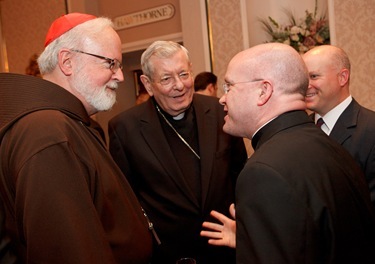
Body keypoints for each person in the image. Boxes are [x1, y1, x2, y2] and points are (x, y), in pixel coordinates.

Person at [0, 13, 154, 263]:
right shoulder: (47, 132)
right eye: (110, 63)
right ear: (67, 62)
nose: (120, 76)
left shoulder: (67, 122)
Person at [202, 43, 375, 263]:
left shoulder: (263, 172)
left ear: (263, 91)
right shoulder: (326, 143)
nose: (222, 98)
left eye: (229, 86)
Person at [108, 40, 247, 264]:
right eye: (166, 79)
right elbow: (126, 202)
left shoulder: (220, 112)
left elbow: (241, 175)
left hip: (224, 250)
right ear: (148, 84)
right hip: (168, 254)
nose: (180, 85)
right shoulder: (125, 128)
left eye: (183, 74)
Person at [303, 45, 375, 206]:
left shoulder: (370, 130)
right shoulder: (299, 128)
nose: (306, 85)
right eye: (304, 79)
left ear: (342, 77)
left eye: (314, 76)